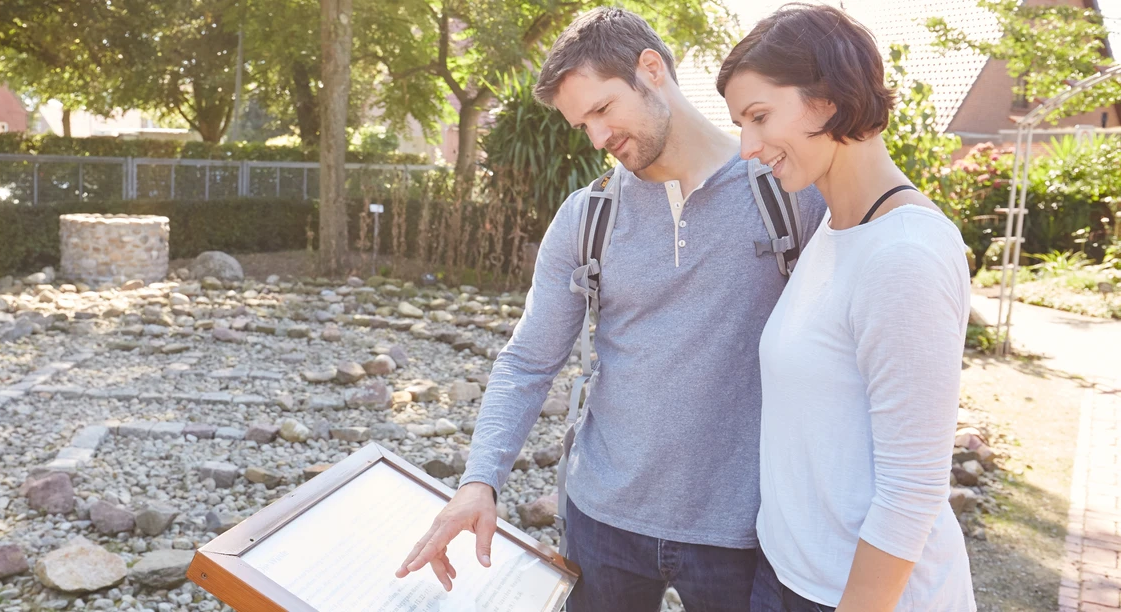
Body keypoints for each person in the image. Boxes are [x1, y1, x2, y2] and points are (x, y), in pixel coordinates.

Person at [394, 7, 826, 610]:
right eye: (583, 125)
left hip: (744, 528)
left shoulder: (787, 194)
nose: (597, 139)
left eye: (602, 110)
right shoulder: (586, 216)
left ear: (651, 69)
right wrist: (479, 479)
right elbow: (527, 361)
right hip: (602, 524)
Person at [717, 5, 976, 611]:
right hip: (788, 576)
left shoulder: (904, 254)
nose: (747, 148)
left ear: (828, 99)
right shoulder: (836, 228)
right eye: (740, 125)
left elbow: (911, 491)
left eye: (760, 117)